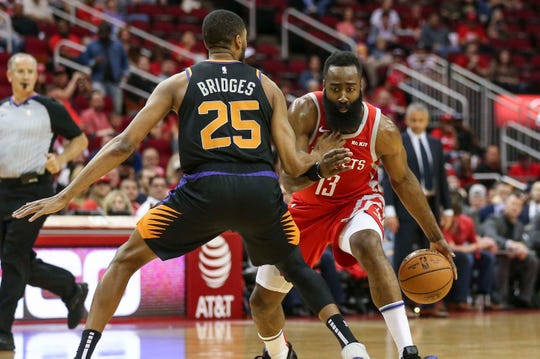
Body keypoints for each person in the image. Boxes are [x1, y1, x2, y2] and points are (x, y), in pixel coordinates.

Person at [13, 10, 363, 359]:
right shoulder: (265, 84)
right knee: (297, 266)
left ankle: (84, 353)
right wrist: (317, 164)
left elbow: (123, 144)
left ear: (206, 43)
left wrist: (66, 193)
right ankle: (351, 345)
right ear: (240, 41)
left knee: (124, 261)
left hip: (204, 191)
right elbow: (292, 164)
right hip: (259, 189)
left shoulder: (178, 82)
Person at [251, 51, 456, 359]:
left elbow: (404, 181)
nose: (343, 96)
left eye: (350, 87)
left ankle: (407, 351)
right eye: (335, 88)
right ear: (324, 85)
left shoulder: (381, 129)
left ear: (361, 86)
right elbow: (289, 183)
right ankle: (280, 353)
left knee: (369, 243)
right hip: (306, 209)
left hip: (356, 202)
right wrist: (318, 160)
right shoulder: (305, 111)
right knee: (261, 303)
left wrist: (435, 235)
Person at [0, 53, 89, 351]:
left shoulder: (49, 107)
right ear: (10, 75)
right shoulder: (1, 109)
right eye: (20, 70)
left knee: (12, 259)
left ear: (36, 76)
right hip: (3, 191)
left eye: (31, 70)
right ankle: (71, 289)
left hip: (34, 190)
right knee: (18, 259)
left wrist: (61, 160)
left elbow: (80, 140)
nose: (26, 75)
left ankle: (3, 332)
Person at [382, 102, 455, 318]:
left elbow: (441, 177)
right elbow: (389, 177)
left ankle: (430, 301)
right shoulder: (399, 141)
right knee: (403, 255)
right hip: (405, 205)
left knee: (432, 255)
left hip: (431, 205)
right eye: (413, 120)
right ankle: (401, 304)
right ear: (407, 120)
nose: (417, 124)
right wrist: (390, 210)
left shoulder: (435, 143)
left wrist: (448, 208)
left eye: (421, 120)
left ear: (426, 121)